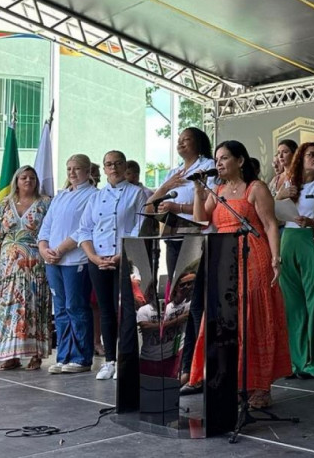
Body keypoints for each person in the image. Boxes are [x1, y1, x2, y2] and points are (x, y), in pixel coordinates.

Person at [183, 140, 290, 408]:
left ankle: (261, 387)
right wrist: (198, 191)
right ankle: (231, 379)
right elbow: (202, 220)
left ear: (240, 161)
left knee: (252, 318)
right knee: (225, 320)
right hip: (223, 257)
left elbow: (270, 225)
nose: (218, 163)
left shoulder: (256, 188)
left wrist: (276, 259)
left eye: (224, 158)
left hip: (253, 255)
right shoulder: (216, 189)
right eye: (217, 159)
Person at [144, 127, 216, 380]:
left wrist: (178, 206)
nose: (181, 144)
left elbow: (209, 205)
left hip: (196, 239)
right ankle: (182, 363)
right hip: (173, 239)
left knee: (194, 301)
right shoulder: (175, 171)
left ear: (199, 142)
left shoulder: (208, 166)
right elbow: (149, 206)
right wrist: (166, 186)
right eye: (179, 140)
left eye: (187, 139)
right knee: (179, 300)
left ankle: (193, 365)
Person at [75, 150, 144, 381]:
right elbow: (84, 229)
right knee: (105, 311)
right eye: (108, 164)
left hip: (125, 258)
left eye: (117, 164)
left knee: (125, 310)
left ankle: (126, 360)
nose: (113, 168)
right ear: (103, 169)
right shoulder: (95, 197)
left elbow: (139, 228)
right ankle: (110, 360)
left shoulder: (137, 193)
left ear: (125, 166)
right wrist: (93, 257)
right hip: (98, 259)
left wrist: (120, 255)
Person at [0, 165, 52, 370]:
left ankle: (36, 354)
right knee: (9, 307)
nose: (27, 181)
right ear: (16, 180)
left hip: (34, 261)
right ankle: (10, 354)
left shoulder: (45, 203)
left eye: (32, 177)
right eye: (23, 177)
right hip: (7, 265)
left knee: (34, 305)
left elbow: (51, 230)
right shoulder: (5, 204)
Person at [38, 153, 98, 374]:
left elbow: (84, 228)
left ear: (88, 171)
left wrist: (61, 249)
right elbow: (47, 226)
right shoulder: (61, 196)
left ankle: (81, 358)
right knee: (61, 309)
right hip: (53, 261)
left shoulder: (93, 195)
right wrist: (45, 248)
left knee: (76, 306)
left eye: (77, 168)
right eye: (69, 168)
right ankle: (63, 356)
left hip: (75, 260)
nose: (72, 173)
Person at [277, 142, 314, 379]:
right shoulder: (287, 183)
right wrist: (279, 196)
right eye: (311, 155)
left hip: (311, 239)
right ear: (300, 157)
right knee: (292, 304)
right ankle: (295, 361)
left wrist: (313, 223)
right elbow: (270, 213)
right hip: (287, 239)